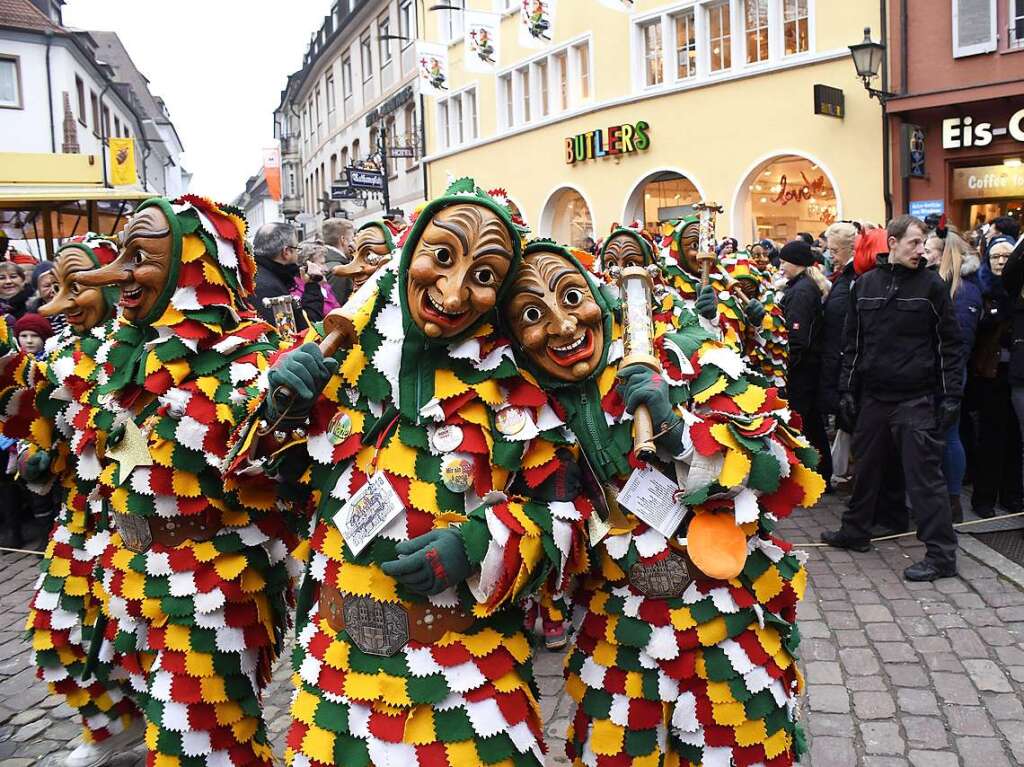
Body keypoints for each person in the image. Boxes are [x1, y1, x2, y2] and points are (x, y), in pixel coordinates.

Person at [234, 180, 588, 766]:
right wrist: (276, 408)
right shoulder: (337, 360)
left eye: (483, 276)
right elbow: (258, 483)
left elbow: (563, 517)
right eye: (441, 257)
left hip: (463, 677)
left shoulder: (519, 393)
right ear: (410, 252)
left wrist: (477, 542)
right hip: (340, 672)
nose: (452, 292)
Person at [500, 241, 820, 766]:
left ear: (599, 295)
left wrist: (679, 431)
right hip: (616, 627)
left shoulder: (684, 356)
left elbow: (778, 462)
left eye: (571, 295)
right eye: (533, 315)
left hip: (724, 618)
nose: (561, 326)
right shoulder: (526, 412)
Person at [73, 196, 294, 766]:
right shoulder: (120, 356)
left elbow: (276, 467)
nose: (121, 272)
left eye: (141, 256)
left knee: (196, 736)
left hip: (215, 584)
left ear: (190, 266)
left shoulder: (246, 356)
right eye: (123, 253)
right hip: (131, 573)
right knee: (177, 728)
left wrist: (255, 416)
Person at [823, 215, 964, 582]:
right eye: (914, 243)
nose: (922, 250)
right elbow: (852, 345)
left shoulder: (931, 287)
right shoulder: (865, 285)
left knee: (924, 479)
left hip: (914, 398)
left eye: (924, 243)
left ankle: (941, 555)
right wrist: (846, 392)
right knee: (866, 468)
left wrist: (951, 396)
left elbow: (950, 344)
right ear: (894, 242)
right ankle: (855, 531)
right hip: (874, 396)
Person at [929, 226, 983, 521]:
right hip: (940, 370)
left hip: (949, 373)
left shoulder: (963, 291)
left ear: (943, 255)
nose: (924, 256)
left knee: (949, 434)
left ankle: (951, 502)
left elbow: (959, 341)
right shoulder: (947, 286)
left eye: (929, 252)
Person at [969, 235, 1022, 518]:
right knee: (990, 438)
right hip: (990, 375)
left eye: (1006, 256)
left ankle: (1011, 495)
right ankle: (984, 498)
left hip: (1017, 374)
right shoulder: (980, 290)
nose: (1001, 261)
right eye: (995, 257)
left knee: (1015, 439)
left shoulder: (1018, 291)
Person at [779, 239, 832, 485]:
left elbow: (798, 337)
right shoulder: (802, 286)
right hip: (807, 368)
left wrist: (787, 367)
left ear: (795, 263)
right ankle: (820, 472)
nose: (780, 266)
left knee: (805, 422)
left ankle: (816, 473)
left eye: (783, 261)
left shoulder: (801, 292)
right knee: (811, 422)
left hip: (803, 371)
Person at [252, 221, 316, 333]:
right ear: (286, 252)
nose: (297, 254)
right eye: (297, 248)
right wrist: (312, 286)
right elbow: (289, 335)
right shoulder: (269, 288)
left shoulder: (256, 274)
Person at [321, 216, 356, 305]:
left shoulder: (323, 260)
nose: (354, 243)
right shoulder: (339, 271)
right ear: (343, 240)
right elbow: (335, 307)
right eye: (352, 239)